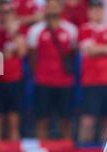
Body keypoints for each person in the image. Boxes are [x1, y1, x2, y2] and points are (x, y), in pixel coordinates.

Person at [27, 0, 78, 140]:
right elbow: (32, 56)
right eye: (50, 5)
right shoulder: (35, 30)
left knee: (66, 120)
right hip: (43, 81)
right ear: (45, 8)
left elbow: (72, 53)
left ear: (61, 8)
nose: (53, 8)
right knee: (41, 120)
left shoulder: (71, 30)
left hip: (64, 82)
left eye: (56, 5)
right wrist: (40, 73)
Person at [78, 0, 107, 144]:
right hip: (91, 81)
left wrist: (99, 48)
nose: (97, 13)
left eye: (99, 9)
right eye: (93, 10)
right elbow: (88, 50)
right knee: (88, 121)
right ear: (89, 12)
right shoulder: (84, 29)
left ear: (103, 11)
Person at [0, 1, 27, 141]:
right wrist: (4, 55)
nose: (6, 16)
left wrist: (13, 32)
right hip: (0, 80)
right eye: (3, 12)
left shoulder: (17, 31)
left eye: (9, 12)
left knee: (13, 118)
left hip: (14, 79)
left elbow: (22, 52)